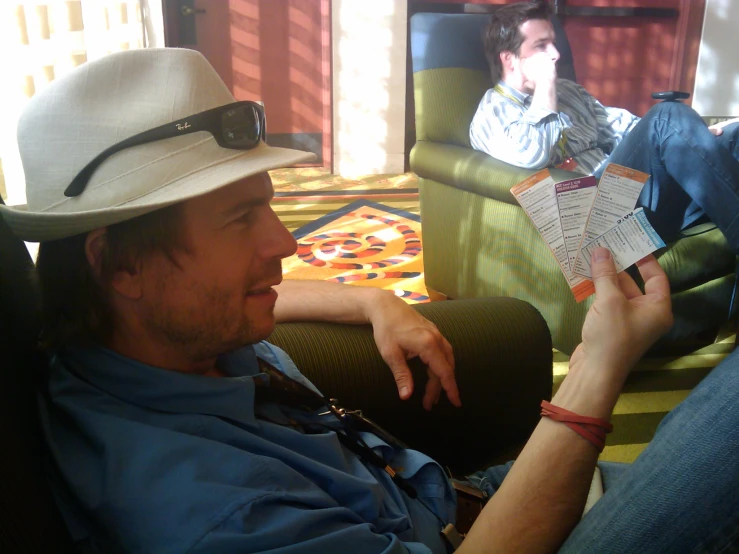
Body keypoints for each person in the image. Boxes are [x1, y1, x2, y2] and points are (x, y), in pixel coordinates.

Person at [1, 47, 737, 553]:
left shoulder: (127, 336)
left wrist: (369, 303)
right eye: (238, 220)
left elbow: (277, 300)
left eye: (269, 207)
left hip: (457, 494)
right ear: (118, 265)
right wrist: (593, 368)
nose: (286, 243)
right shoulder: (211, 515)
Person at [469, 1, 739, 254]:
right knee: (665, 115)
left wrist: (689, 136)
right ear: (509, 59)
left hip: (635, 196)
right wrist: (545, 90)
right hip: (592, 213)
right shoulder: (492, 112)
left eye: (553, 42)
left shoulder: (569, 92)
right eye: (541, 46)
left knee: (732, 136)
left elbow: (623, 127)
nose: (556, 54)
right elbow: (533, 154)